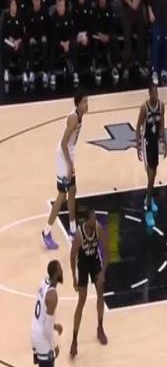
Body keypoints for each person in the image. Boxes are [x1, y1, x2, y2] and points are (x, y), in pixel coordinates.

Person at [42, 89, 88, 250]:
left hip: (69, 154)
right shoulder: (73, 118)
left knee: (72, 190)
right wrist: (69, 165)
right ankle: (46, 232)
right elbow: (63, 144)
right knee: (62, 195)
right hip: (63, 156)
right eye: (84, 102)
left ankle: (73, 230)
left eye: (87, 101)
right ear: (78, 103)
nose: (87, 105)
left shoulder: (80, 116)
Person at [69, 208, 109, 358]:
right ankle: (74, 340)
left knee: (100, 292)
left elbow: (107, 252)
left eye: (95, 217)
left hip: (95, 261)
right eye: (93, 218)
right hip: (83, 264)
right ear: (87, 220)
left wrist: (102, 273)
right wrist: (74, 277)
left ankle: (100, 327)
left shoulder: (98, 229)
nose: (95, 220)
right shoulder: (79, 235)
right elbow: (72, 256)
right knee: (82, 299)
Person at [31, 260, 64, 367]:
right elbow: (47, 330)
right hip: (42, 336)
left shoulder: (43, 282)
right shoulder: (52, 296)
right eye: (60, 269)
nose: (62, 271)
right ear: (56, 274)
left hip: (34, 330)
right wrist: (54, 346)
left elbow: (43, 316)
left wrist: (55, 326)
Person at [136, 83, 167, 227]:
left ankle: (148, 198)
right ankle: (147, 211)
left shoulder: (161, 106)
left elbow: (162, 126)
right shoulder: (145, 107)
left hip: (155, 143)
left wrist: (164, 144)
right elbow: (138, 127)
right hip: (147, 143)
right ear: (149, 93)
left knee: (153, 176)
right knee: (150, 178)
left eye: (157, 92)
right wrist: (138, 146)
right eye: (153, 92)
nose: (156, 94)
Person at [116, 0, 147, 80]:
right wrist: (130, 3)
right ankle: (126, 67)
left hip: (138, 6)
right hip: (126, 8)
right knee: (127, 38)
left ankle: (142, 65)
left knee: (141, 35)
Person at [49, 0, 78, 87]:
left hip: (68, 41)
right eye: (60, 6)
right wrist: (62, 43)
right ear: (57, 6)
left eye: (63, 5)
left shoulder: (69, 15)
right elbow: (53, 35)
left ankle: (75, 73)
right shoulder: (53, 17)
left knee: (74, 45)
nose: (62, 8)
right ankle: (52, 74)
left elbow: (72, 31)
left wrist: (68, 43)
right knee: (52, 47)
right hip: (58, 42)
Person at [93, 0, 120, 85]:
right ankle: (97, 68)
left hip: (108, 35)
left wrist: (108, 36)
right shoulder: (95, 9)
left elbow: (113, 25)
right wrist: (100, 35)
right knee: (94, 42)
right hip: (98, 36)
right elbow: (93, 26)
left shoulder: (110, 8)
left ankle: (114, 67)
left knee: (114, 38)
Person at [26, 0, 50, 86]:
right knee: (30, 47)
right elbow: (27, 28)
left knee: (44, 46)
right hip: (33, 37)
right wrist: (30, 38)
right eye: (35, 0)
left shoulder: (45, 10)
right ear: (32, 0)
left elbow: (49, 26)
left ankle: (45, 73)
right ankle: (31, 73)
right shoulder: (29, 12)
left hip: (43, 37)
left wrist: (45, 36)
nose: (36, 1)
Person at [2, 0, 27, 86]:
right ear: (9, 7)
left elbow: (23, 34)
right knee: (5, 48)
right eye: (12, 5)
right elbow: (4, 33)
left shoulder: (19, 17)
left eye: (15, 5)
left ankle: (24, 73)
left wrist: (17, 41)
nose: (14, 7)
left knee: (23, 48)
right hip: (8, 41)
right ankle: (6, 71)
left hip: (18, 41)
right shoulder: (6, 17)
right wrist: (10, 39)